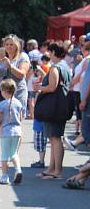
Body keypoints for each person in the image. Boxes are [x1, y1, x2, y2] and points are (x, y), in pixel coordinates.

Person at [0, 35, 30, 159]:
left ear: (17, 45)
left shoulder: (23, 57)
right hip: (1, 92)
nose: (9, 47)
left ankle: (14, 152)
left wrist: (10, 66)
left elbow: (22, 74)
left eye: (11, 44)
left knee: (15, 123)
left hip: (17, 92)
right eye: (6, 45)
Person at [37, 43, 71, 179]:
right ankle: (51, 169)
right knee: (54, 138)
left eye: (49, 52)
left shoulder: (56, 67)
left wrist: (40, 87)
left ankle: (57, 171)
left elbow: (52, 87)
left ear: (53, 52)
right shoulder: (65, 66)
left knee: (55, 139)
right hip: (60, 106)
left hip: (54, 107)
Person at [0, 79, 25, 185]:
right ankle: (18, 170)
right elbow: (20, 118)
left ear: (5, 91)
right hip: (17, 132)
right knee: (14, 153)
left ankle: (4, 176)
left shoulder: (1, 104)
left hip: (6, 132)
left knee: (5, 155)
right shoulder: (19, 103)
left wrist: (2, 122)